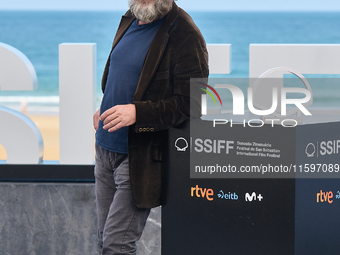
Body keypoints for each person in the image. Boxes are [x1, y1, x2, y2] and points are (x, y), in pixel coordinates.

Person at [93, 0, 208, 254]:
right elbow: (122, 73)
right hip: (104, 150)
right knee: (103, 241)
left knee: (117, 244)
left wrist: (137, 113)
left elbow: (192, 103)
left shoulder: (185, 33)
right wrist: (106, 105)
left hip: (139, 158)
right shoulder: (130, 18)